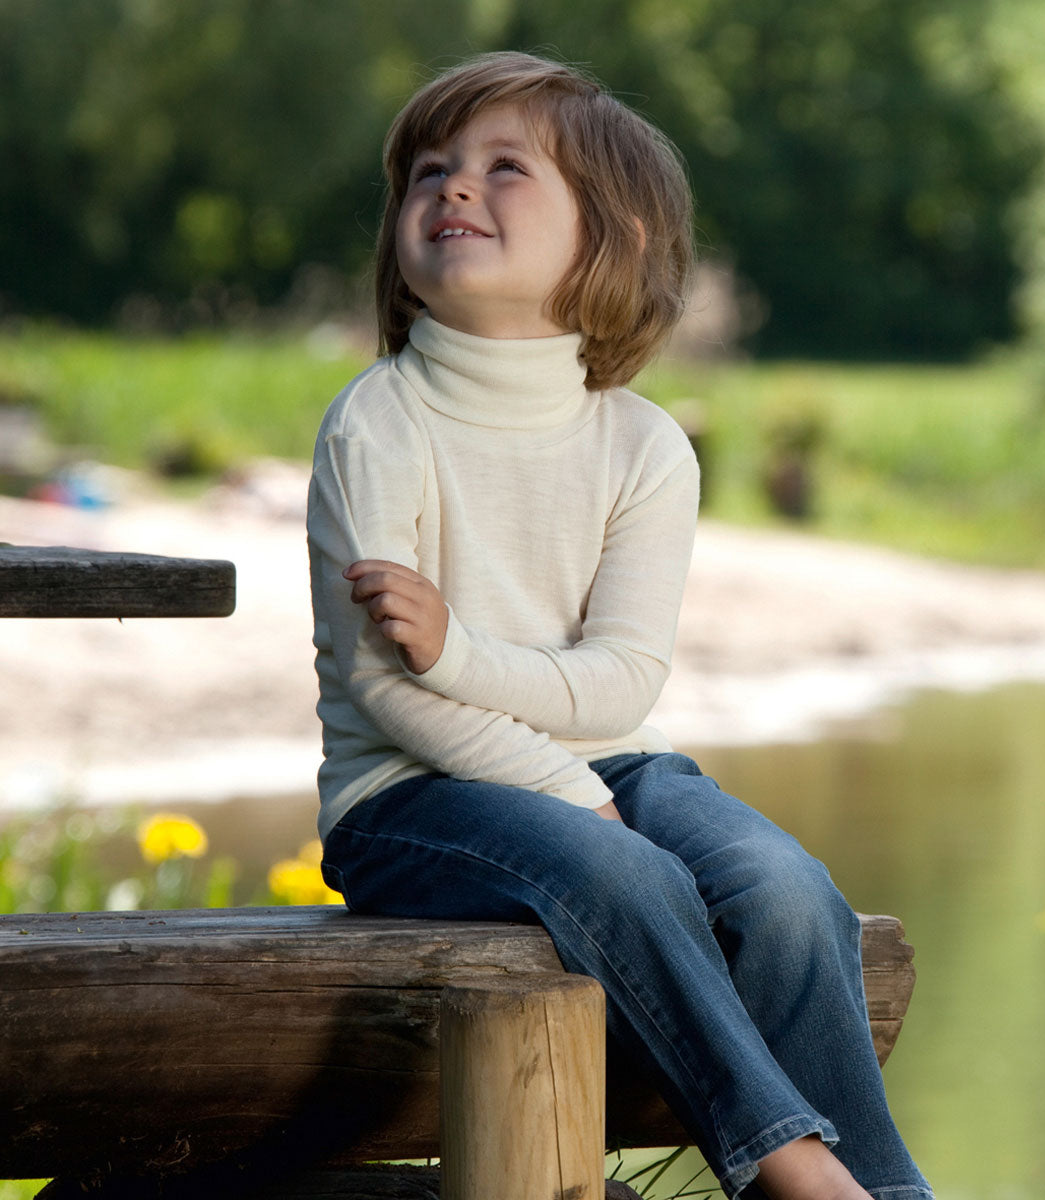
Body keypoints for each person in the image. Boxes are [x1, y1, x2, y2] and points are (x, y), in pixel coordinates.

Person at [307, 50, 933, 1200]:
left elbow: (622, 682)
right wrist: (563, 789)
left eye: (506, 167)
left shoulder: (643, 446)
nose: (454, 186)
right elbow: (388, 694)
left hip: (610, 764)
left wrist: (465, 656)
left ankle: (886, 1187)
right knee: (627, 879)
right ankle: (792, 1168)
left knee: (787, 889)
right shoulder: (379, 426)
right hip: (407, 798)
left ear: (615, 236)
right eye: (430, 171)